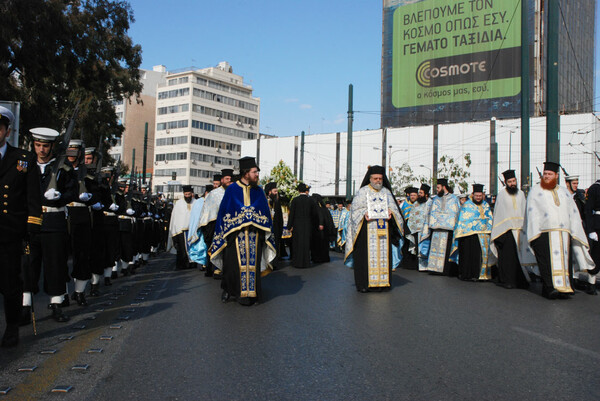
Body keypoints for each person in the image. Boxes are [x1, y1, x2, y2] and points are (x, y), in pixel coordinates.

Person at [22, 127, 77, 324]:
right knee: (28, 265)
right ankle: (25, 306)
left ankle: (56, 304)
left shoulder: (64, 169)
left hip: (54, 221)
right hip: (31, 221)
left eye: (45, 146)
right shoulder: (25, 165)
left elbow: (74, 193)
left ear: (52, 146)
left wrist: (61, 196)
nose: (41, 150)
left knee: (56, 265)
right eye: (38, 145)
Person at [0, 106, 41, 347]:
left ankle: (12, 327)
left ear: (7, 131)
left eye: (0, 128)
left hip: (10, 232)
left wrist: (32, 226)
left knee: (10, 284)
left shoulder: (23, 160)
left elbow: (33, 198)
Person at [211, 157, 276, 305]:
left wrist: (254, 217)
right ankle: (229, 290)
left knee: (253, 266)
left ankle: (251, 294)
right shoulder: (232, 190)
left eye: (257, 172)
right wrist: (241, 217)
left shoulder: (258, 191)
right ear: (246, 173)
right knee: (233, 266)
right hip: (235, 236)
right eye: (254, 172)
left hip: (255, 235)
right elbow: (224, 212)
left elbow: (265, 213)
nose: (257, 175)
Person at [526, 162, 596, 299]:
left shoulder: (564, 192)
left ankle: (565, 287)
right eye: (545, 174)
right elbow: (532, 211)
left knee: (565, 261)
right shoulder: (535, 190)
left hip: (563, 233)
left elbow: (573, 212)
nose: (546, 176)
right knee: (546, 262)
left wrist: (575, 230)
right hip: (543, 232)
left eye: (549, 174)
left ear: (556, 176)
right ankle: (549, 288)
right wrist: (535, 232)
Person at [344, 166, 403, 292]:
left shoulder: (386, 192)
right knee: (365, 257)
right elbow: (355, 211)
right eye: (375, 178)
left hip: (383, 231)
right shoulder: (362, 192)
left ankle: (382, 283)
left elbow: (396, 211)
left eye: (380, 178)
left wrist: (391, 212)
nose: (378, 181)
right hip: (366, 231)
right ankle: (364, 284)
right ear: (370, 179)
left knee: (383, 256)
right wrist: (364, 213)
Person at [490, 170, 533, 289]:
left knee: (520, 257)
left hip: (520, 230)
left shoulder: (521, 194)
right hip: (506, 231)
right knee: (509, 258)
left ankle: (521, 280)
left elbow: (524, 210)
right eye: (510, 182)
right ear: (505, 182)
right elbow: (499, 213)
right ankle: (508, 280)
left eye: (514, 181)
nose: (512, 183)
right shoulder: (502, 194)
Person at [65, 140, 95, 306]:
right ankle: (60, 294)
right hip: (65, 213)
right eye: (70, 151)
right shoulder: (60, 170)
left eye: (75, 152)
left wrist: (90, 198)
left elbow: (97, 194)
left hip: (81, 214)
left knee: (82, 254)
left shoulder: (87, 172)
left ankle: (79, 291)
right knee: (61, 255)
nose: (72, 155)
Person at [452, 184, 494, 281]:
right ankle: (467, 275)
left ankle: (481, 275)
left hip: (483, 236)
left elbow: (490, 218)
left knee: (482, 256)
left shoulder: (486, 205)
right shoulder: (467, 205)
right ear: (473, 195)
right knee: (469, 255)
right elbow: (462, 220)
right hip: (469, 236)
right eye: (476, 196)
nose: (478, 198)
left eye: (480, 196)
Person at [420, 178, 460, 275]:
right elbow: (431, 213)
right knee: (435, 249)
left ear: (444, 187)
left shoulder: (454, 199)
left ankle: (446, 270)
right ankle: (434, 269)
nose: (437, 190)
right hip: (436, 230)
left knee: (447, 251)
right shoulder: (436, 199)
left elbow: (457, 214)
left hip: (448, 231)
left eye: (438, 187)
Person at [199, 169, 233, 277]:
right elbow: (207, 212)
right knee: (216, 247)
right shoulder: (214, 194)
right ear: (222, 180)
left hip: (230, 225)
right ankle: (214, 269)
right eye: (227, 179)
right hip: (215, 225)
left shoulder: (234, 192)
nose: (229, 181)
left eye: (230, 179)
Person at [288, 183, 318, 268]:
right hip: (308, 226)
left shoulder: (295, 200)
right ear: (306, 191)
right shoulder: (311, 200)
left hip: (297, 226)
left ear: (298, 190)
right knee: (306, 244)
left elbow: (292, 214)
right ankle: (306, 262)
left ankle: (297, 262)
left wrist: (289, 226)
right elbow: (314, 214)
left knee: (297, 244)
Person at [169, 185, 195, 269]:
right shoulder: (179, 203)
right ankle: (182, 264)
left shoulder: (196, 202)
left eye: (189, 194)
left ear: (192, 194)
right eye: (186, 194)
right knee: (181, 249)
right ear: (184, 194)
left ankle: (192, 263)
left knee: (192, 248)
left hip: (193, 231)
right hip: (181, 231)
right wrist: (175, 231)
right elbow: (175, 218)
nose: (187, 196)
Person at [187, 184, 212, 269]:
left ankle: (207, 263)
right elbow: (195, 216)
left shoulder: (212, 201)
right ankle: (202, 263)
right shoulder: (199, 201)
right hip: (200, 228)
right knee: (202, 246)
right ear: (206, 193)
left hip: (210, 227)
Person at [409, 184, 432, 271]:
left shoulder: (431, 203)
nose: (419, 195)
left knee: (427, 247)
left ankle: (428, 266)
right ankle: (421, 266)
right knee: (419, 248)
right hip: (417, 230)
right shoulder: (416, 203)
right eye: (419, 193)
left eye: (421, 193)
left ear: (426, 194)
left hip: (427, 230)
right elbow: (412, 216)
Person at [584, 173, 600, 294]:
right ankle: (591, 283)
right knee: (596, 255)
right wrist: (591, 230)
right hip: (597, 224)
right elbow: (588, 210)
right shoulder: (595, 188)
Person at [311, 193, 335, 263]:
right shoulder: (325, 209)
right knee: (324, 245)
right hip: (325, 231)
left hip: (317, 231)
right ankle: (324, 257)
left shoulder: (316, 208)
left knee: (317, 245)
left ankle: (317, 257)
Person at [265, 182, 283, 265]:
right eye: (275, 191)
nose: (276, 193)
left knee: (275, 245)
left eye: (277, 192)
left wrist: (280, 228)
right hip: (267, 228)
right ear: (269, 192)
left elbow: (280, 217)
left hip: (276, 227)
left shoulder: (277, 202)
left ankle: (274, 263)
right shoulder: (264, 201)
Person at [400, 187, 419, 269]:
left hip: (417, 228)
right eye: (411, 195)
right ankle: (406, 263)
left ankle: (415, 264)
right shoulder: (405, 204)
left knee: (416, 245)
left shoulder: (419, 204)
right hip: (407, 226)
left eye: (414, 195)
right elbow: (402, 216)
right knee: (406, 245)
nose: (413, 197)